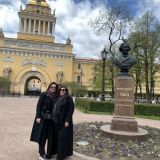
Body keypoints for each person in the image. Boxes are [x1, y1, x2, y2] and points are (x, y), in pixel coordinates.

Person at [30, 82, 58, 160]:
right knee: (42, 136)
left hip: (51, 119)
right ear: (49, 87)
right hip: (42, 118)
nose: (53, 88)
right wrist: (38, 116)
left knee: (49, 136)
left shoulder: (56, 96)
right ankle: (41, 153)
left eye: (54, 88)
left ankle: (46, 152)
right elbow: (38, 106)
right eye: (52, 87)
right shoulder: (43, 94)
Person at [52, 85, 74, 160]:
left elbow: (71, 110)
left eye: (64, 90)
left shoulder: (69, 98)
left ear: (66, 91)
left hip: (65, 121)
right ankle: (62, 153)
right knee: (59, 138)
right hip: (57, 121)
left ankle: (60, 157)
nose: (62, 91)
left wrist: (67, 120)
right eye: (61, 90)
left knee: (62, 138)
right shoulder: (58, 98)